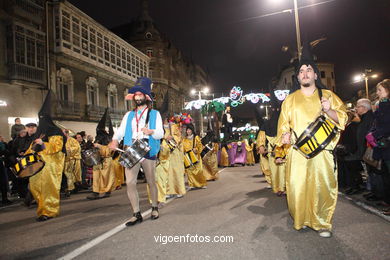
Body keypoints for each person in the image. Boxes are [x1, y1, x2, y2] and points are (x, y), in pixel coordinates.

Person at [277, 43, 347, 237]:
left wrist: (329, 110)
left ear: (316, 75)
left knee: (322, 187)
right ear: (297, 77)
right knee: (298, 188)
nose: (305, 73)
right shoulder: (289, 100)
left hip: (322, 153)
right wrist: (284, 138)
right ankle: (302, 219)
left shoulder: (329, 96)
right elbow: (283, 126)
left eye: (309, 70)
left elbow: (343, 119)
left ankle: (322, 222)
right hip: (297, 152)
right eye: (301, 71)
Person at [110, 77, 164, 226]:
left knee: (151, 181)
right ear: (134, 97)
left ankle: (154, 207)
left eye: (141, 94)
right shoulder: (128, 115)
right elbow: (120, 131)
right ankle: (136, 213)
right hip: (131, 148)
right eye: (136, 94)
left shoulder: (155, 114)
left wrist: (151, 131)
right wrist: (115, 140)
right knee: (130, 183)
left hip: (147, 147)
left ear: (146, 97)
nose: (138, 97)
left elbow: (160, 133)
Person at [25, 91, 66, 221]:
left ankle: (49, 211)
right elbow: (31, 148)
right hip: (37, 166)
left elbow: (57, 147)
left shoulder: (55, 131)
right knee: (35, 186)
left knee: (48, 188)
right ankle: (42, 208)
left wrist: (43, 144)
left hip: (51, 166)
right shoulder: (38, 133)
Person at [368, 79, 390, 215]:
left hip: (387, 145)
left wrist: (374, 134)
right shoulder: (382, 105)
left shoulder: (386, 105)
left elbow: (386, 125)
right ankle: (387, 200)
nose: (377, 93)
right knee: (385, 174)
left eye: (380, 90)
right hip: (384, 146)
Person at [343, 99, 374, 195]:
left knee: (373, 172)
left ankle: (375, 192)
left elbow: (368, 135)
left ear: (364, 108)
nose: (356, 108)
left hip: (367, 149)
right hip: (362, 149)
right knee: (370, 172)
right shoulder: (364, 118)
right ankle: (372, 191)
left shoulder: (369, 118)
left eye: (358, 106)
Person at [87, 108, 115, 200]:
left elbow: (110, 151)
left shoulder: (108, 138)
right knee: (96, 176)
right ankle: (95, 192)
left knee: (106, 177)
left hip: (106, 160)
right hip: (98, 160)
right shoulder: (98, 137)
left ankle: (107, 190)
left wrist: (100, 146)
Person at [166, 114, 186, 198]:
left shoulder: (176, 127)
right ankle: (169, 191)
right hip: (167, 153)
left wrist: (171, 138)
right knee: (168, 172)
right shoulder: (163, 128)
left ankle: (179, 190)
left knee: (177, 171)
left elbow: (179, 138)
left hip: (175, 152)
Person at [183, 123, 207, 189]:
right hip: (188, 158)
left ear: (192, 130)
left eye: (189, 130)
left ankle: (201, 184)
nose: (188, 131)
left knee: (199, 171)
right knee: (189, 171)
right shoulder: (184, 139)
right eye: (187, 130)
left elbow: (200, 147)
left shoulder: (196, 138)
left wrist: (196, 149)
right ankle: (191, 184)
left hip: (196, 157)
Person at [63, 129, 82, 196]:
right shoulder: (62, 140)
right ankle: (69, 188)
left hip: (72, 160)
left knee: (70, 174)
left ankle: (70, 188)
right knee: (68, 174)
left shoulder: (72, 140)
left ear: (67, 133)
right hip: (65, 160)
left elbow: (77, 148)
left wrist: (69, 150)